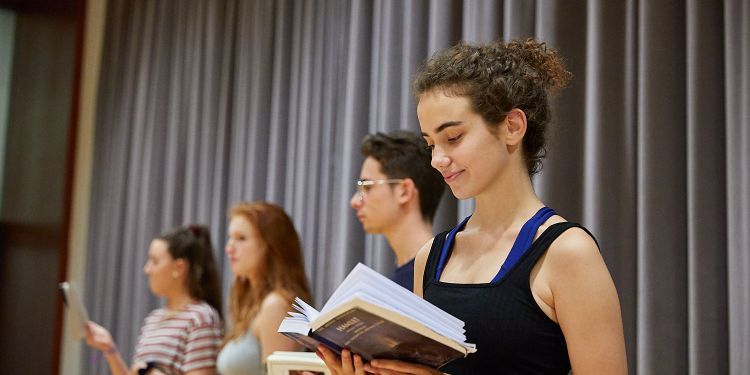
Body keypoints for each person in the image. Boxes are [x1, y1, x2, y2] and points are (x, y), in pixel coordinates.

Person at [319, 39, 628, 374]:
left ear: (512, 127)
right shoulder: (431, 256)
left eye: (452, 138)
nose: (438, 160)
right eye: (430, 144)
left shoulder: (567, 253)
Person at [86, 225, 224, 375]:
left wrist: (151, 372)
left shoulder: (201, 317)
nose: (147, 269)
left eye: (155, 261)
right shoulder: (152, 319)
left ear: (179, 268)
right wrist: (109, 349)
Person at [217, 201, 313, 375]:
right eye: (230, 238)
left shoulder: (276, 305)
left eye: (241, 238)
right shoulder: (252, 304)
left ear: (270, 246)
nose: (229, 248)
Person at [350, 130, 446, 290]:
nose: (354, 202)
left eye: (367, 187)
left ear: (404, 191)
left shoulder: (445, 278)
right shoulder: (394, 284)